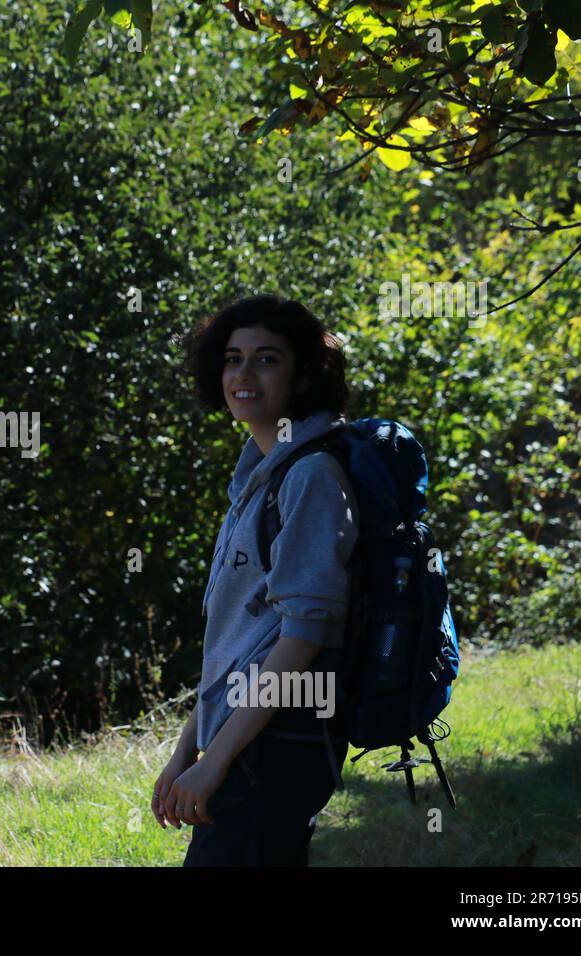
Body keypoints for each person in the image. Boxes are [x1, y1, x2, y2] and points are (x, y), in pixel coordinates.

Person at [154, 294, 359, 866]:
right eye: (232, 358)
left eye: (267, 359)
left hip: (273, 748)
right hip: (241, 746)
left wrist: (217, 760)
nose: (242, 374)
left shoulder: (311, 475)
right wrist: (187, 753)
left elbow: (302, 635)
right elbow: (236, 645)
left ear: (303, 376)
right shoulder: (259, 475)